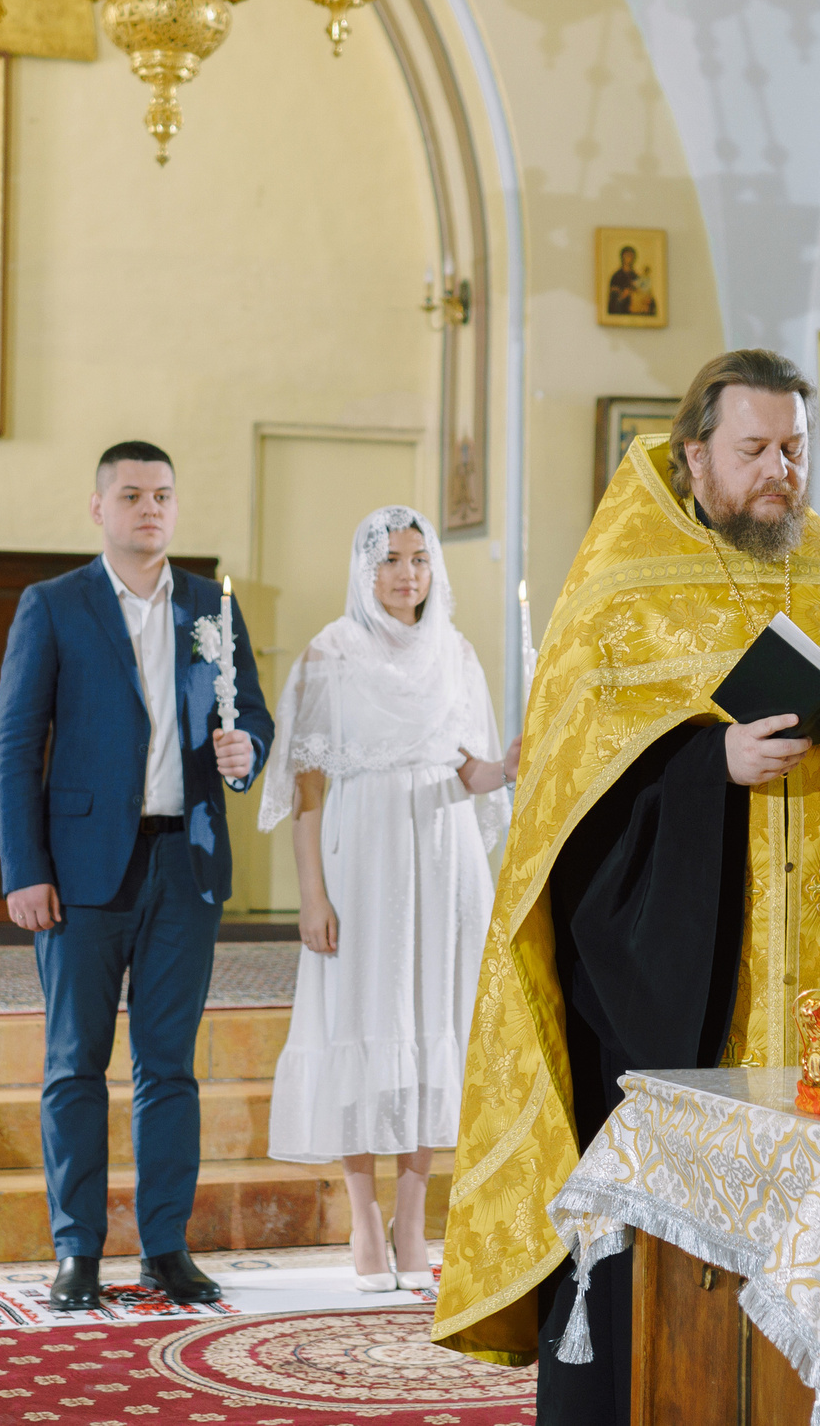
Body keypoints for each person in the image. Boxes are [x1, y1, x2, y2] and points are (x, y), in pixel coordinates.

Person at [430, 349, 820, 1418]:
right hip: (677, 992)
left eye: (794, 449)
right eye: (754, 449)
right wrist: (709, 766)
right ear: (694, 453)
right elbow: (569, 799)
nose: (779, 472)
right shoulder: (621, 583)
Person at [0, 441, 274, 1311]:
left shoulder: (211, 606)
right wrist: (24, 868)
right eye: (131, 495)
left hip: (186, 864)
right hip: (81, 873)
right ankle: (77, 1249)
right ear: (98, 507)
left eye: (162, 495)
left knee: (169, 1067)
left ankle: (165, 1247)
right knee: (75, 1064)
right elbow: (14, 744)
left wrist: (247, 752)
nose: (150, 509)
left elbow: (252, 714)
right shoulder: (54, 605)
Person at [260, 506, 517, 1291]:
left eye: (420, 558)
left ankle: (412, 1217)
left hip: (442, 855)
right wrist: (312, 893)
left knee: (431, 1021)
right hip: (362, 856)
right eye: (391, 559)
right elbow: (307, 788)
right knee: (362, 1019)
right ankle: (364, 1215)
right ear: (364, 569)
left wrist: (508, 765)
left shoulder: (456, 653)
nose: (408, 573)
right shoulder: (330, 654)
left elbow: (469, 771)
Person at [605, 245, 653, 317]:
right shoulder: (616, 276)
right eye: (627, 256)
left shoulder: (636, 276)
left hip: (635, 309)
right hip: (621, 310)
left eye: (631, 256)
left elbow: (642, 290)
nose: (629, 258)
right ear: (622, 257)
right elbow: (613, 297)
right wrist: (622, 294)